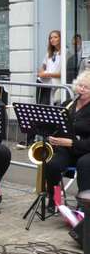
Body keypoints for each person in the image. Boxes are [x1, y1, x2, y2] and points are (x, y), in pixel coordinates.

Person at [44, 70, 90, 212]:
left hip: (86, 149)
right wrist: (51, 135)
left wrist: (70, 143)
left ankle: (84, 204)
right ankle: (55, 198)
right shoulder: (68, 104)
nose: (81, 89)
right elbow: (55, 125)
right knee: (52, 164)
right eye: (80, 85)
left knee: (84, 164)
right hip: (67, 150)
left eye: (86, 87)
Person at [37, 30, 62, 106]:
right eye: (51, 38)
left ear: (61, 38)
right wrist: (41, 73)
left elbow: (63, 74)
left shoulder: (65, 53)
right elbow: (43, 67)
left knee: (56, 106)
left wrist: (48, 74)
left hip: (57, 85)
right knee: (44, 107)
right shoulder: (49, 53)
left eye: (55, 37)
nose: (52, 39)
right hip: (46, 84)